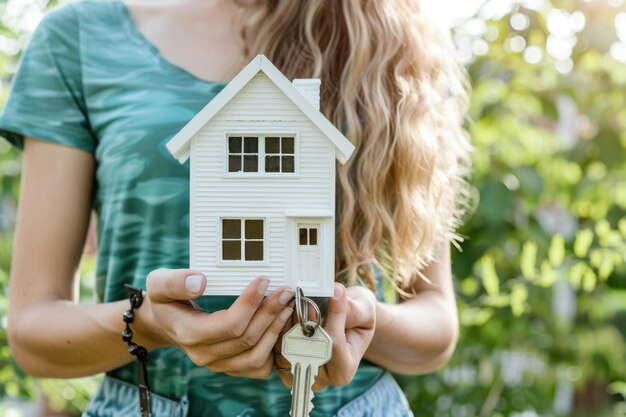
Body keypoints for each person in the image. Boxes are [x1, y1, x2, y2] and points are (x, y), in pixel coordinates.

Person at [0, 0, 471, 416]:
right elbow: (33, 334)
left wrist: (358, 316)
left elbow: (435, 326)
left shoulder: (396, 39)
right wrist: (150, 323)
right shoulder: (81, 39)